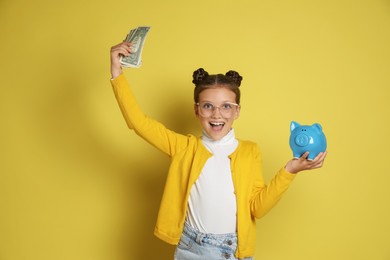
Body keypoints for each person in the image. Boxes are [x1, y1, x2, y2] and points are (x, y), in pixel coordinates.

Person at [109, 41, 327, 260]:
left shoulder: (250, 151)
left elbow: (257, 209)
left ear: (237, 111)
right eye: (207, 106)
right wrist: (117, 72)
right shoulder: (183, 147)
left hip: (233, 250)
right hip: (190, 248)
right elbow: (139, 123)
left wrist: (290, 170)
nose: (216, 114)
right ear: (197, 110)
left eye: (226, 106)